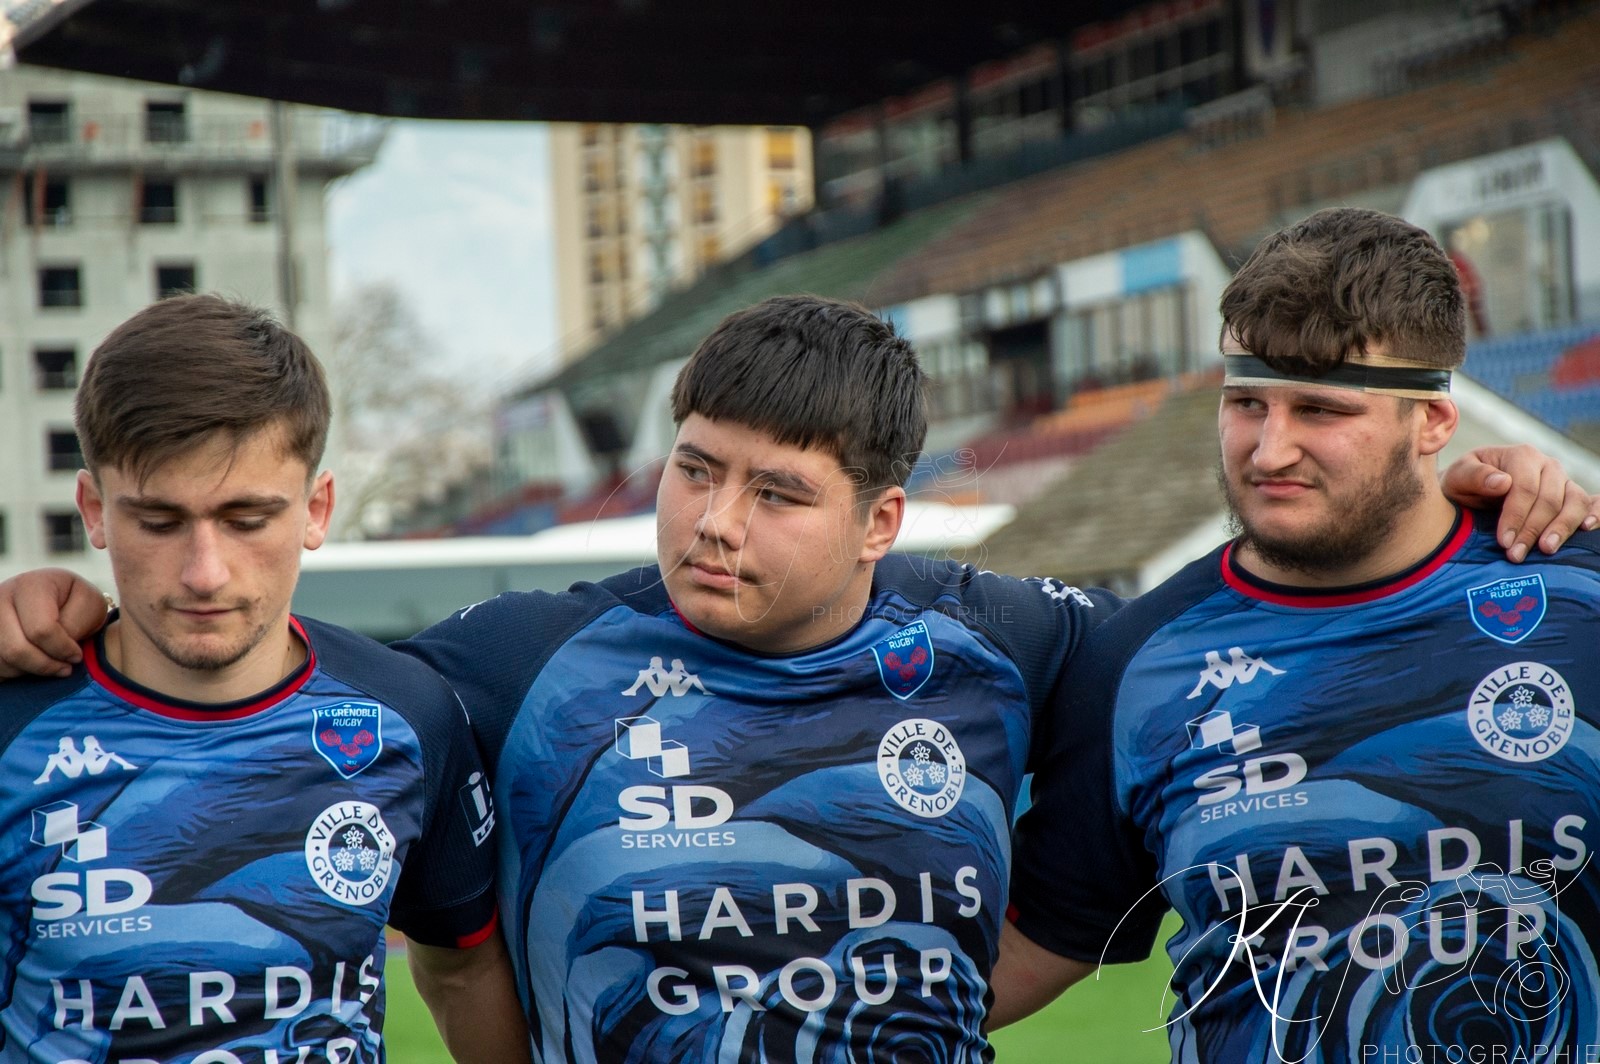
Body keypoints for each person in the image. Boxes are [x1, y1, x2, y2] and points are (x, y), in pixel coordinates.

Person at [0, 294, 1592, 1062]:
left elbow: (1262, 630)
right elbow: (254, 683)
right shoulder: (508, 665)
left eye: (777, 493)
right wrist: (54, 609)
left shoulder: (1021, 643)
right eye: (696, 469)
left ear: (881, 522)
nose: (713, 521)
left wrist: (1481, 507)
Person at [992, 208, 1600, 1062]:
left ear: (1432, 419)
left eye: (1319, 408)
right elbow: (1024, 953)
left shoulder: (1579, 598)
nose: (1270, 450)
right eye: (1248, 403)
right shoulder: (1138, 663)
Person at [0, 294, 527, 1063]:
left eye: (248, 520)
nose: (205, 572)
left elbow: (462, 970)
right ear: (94, 510)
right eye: (158, 521)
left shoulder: (410, 717)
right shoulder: (14, 728)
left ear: (317, 509)